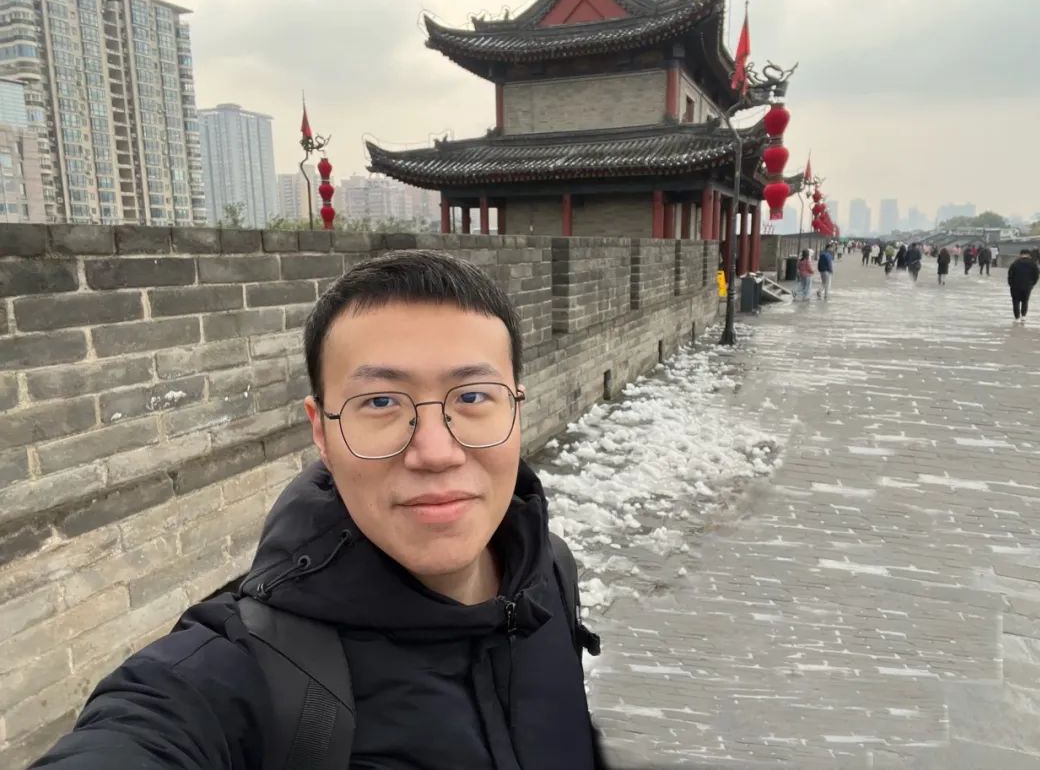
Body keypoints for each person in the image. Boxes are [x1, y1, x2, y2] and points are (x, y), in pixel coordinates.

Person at [30, 252, 607, 770]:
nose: (435, 452)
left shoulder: (546, 571)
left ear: (516, 408)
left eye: (474, 396)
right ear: (321, 432)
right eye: (379, 401)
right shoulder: (243, 672)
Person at [1007, 249, 1040, 322]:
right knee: (1025, 301)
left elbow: (1010, 275)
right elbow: (1036, 276)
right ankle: (1023, 316)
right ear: (1029, 255)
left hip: (1015, 286)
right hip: (1027, 286)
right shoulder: (1033, 264)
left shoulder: (1015, 263)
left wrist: (1011, 284)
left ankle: (1017, 318)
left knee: (1015, 301)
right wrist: (1032, 284)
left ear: (1020, 254)